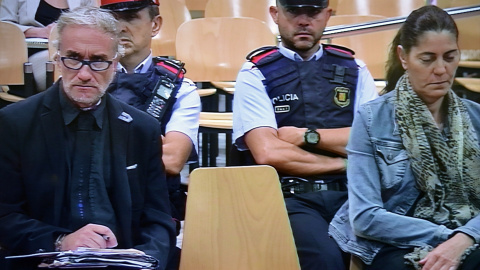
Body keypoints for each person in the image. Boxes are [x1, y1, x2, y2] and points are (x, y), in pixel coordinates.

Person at [0, 6, 175, 270]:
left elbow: (159, 219)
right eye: (73, 58)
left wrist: (146, 260)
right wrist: (60, 241)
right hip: (44, 261)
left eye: (98, 60)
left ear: (115, 64)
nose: (84, 73)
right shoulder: (14, 122)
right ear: (56, 58)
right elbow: (4, 215)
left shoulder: (142, 128)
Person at [329, 5, 480, 270]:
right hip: (393, 242)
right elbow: (365, 217)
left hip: (468, 236)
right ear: (404, 57)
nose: (441, 69)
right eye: (427, 58)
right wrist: (447, 238)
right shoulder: (371, 119)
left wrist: (465, 237)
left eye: (449, 56)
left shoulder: (476, 117)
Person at [231, 0, 378, 268]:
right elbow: (268, 152)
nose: (303, 20)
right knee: (327, 261)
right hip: (290, 197)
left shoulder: (356, 68)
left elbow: (375, 144)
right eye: (294, 11)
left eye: (312, 12)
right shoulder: (255, 72)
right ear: (275, 14)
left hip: (354, 195)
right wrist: (346, 161)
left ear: (327, 15)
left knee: (386, 258)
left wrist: (306, 136)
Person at [99, 0, 200, 223]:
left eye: (131, 17)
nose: (120, 28)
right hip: (90, 205)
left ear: (155, 25)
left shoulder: (181, 88)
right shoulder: (84, 80)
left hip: (152, 210)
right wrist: (150, 146)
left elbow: (173, 160)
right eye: (112, 19)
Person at [0, 0, 95, 93]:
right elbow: (3, 25)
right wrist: (38, 32)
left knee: (98, 65)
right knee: (64, 66)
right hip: (27, 52)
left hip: (74, 51)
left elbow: (94, 26)